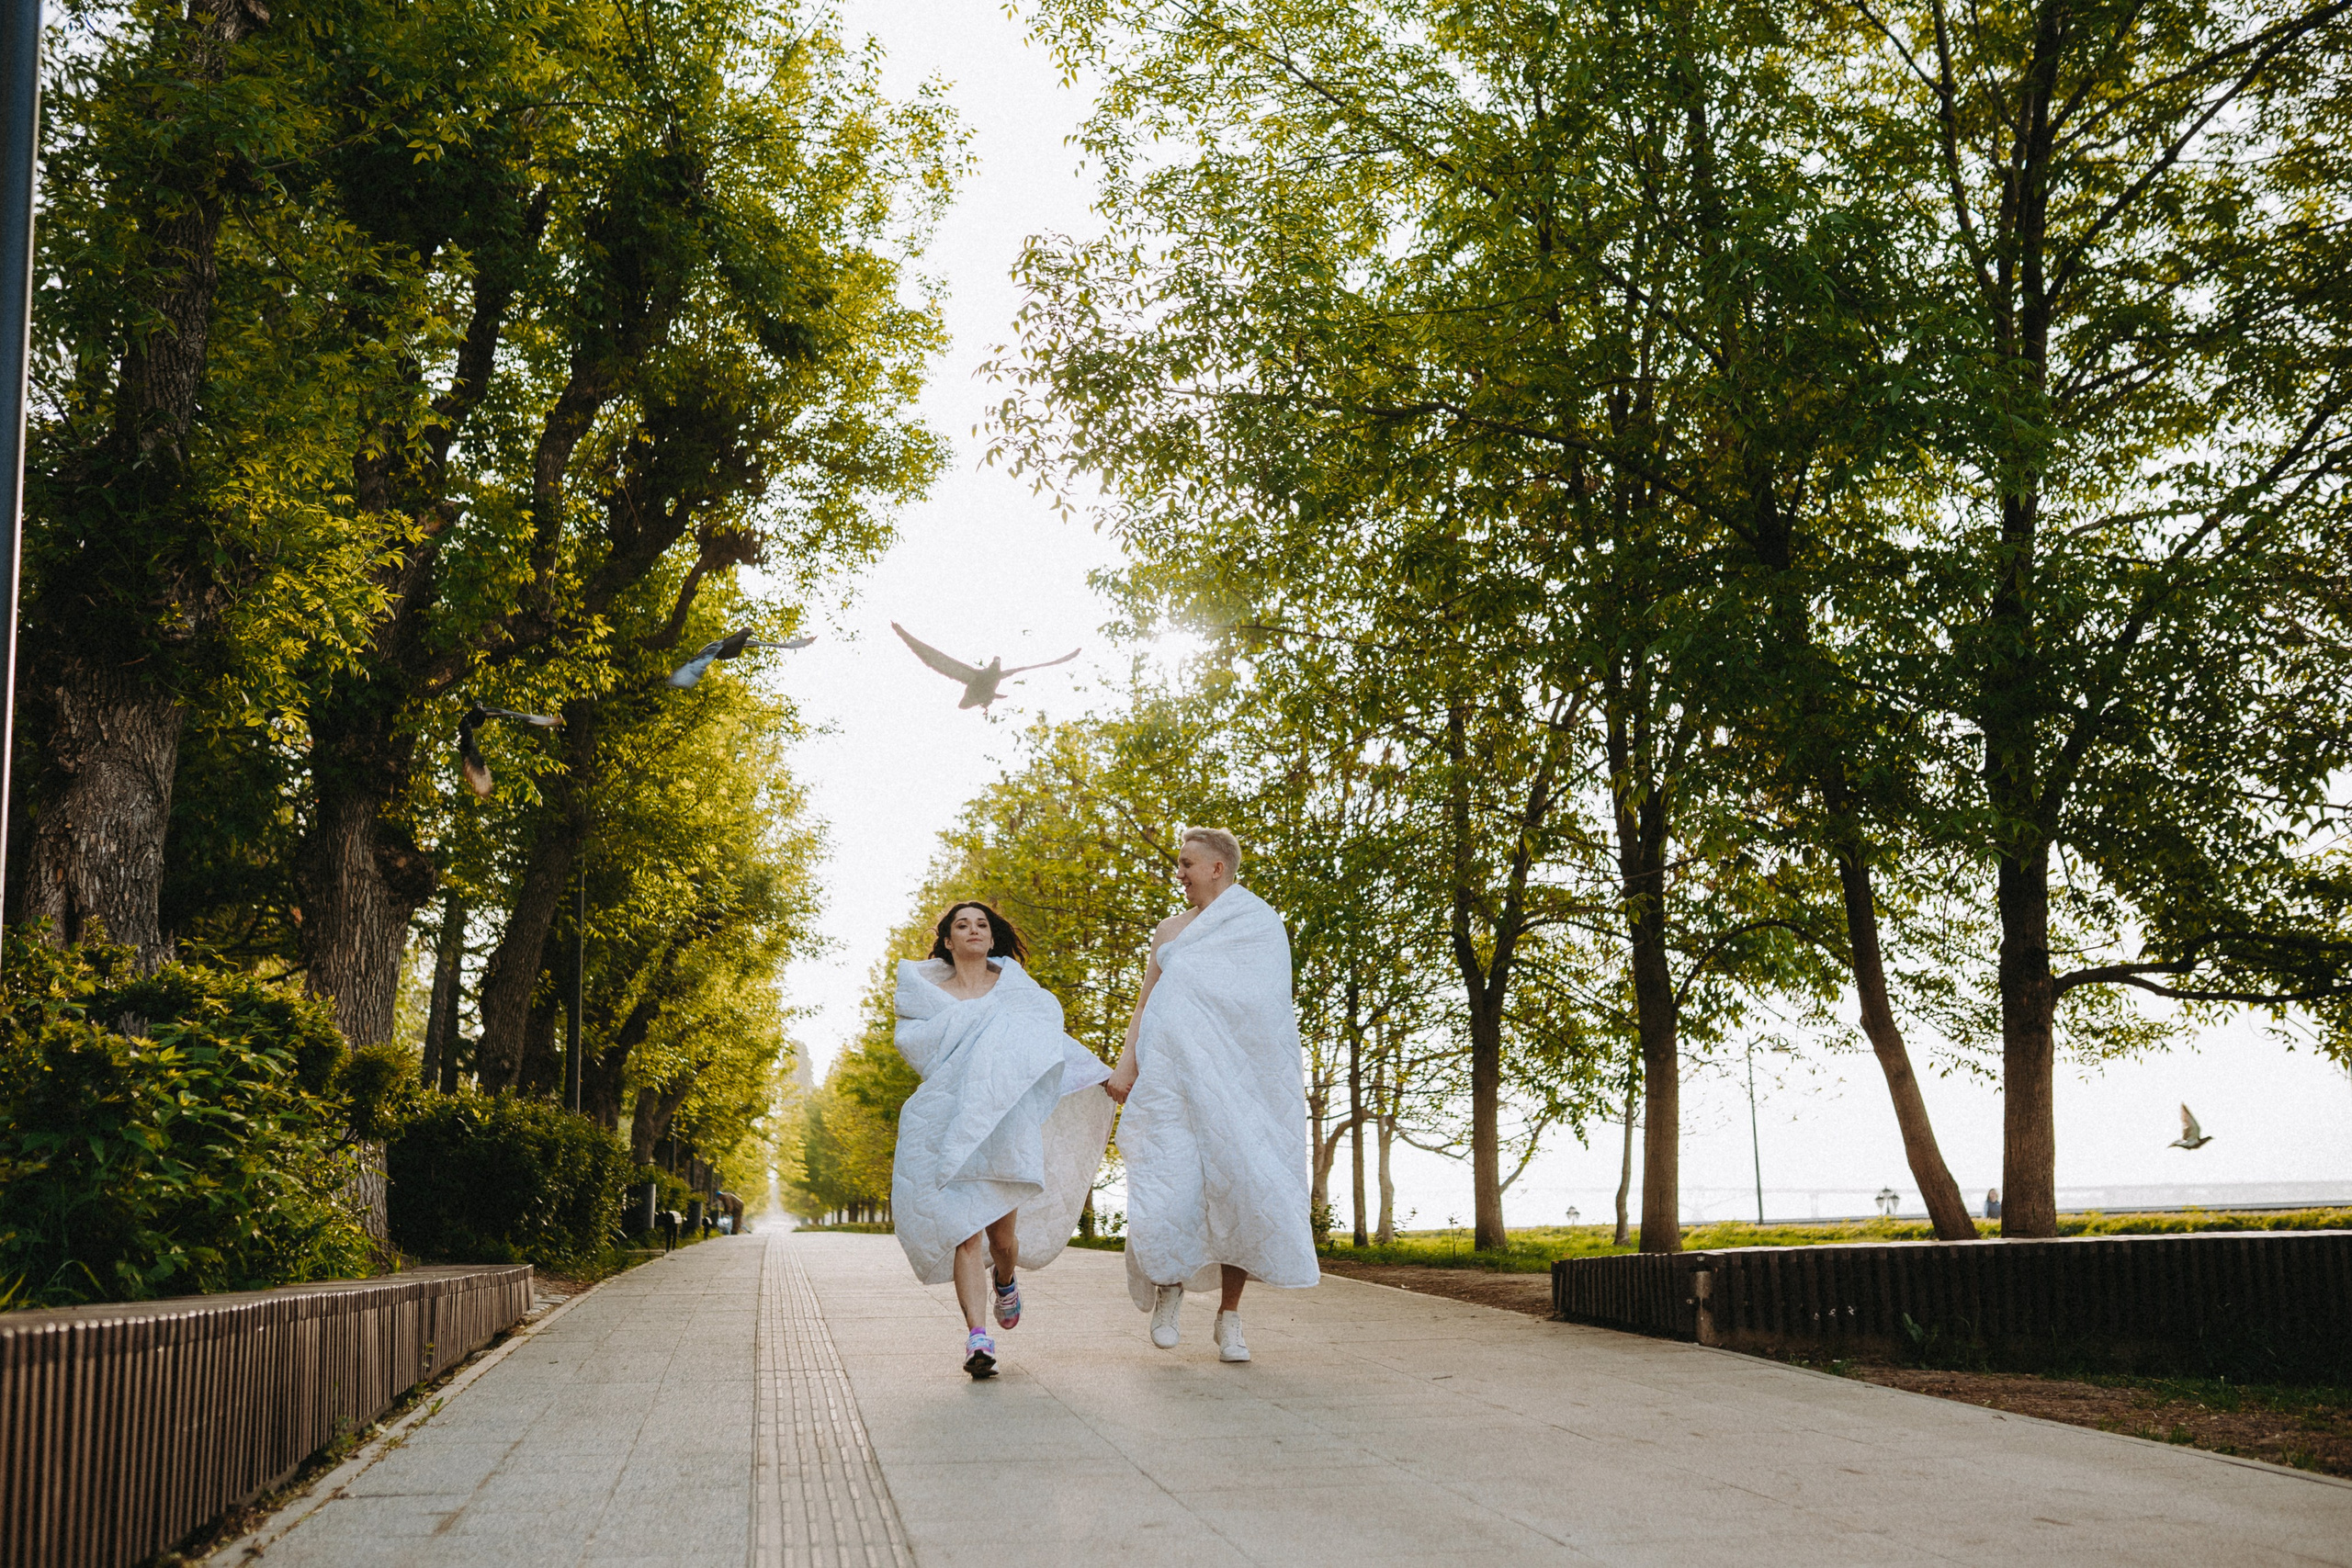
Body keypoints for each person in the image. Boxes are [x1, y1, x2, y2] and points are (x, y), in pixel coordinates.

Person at [1104, 828, 1317, 1362]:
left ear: (1217, 867)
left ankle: (1230, 1317)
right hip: (1170, 1080)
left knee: (1241, 1186)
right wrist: (1127, 1064)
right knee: (1166, 1182)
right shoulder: (1170, 930)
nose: (1179, 873)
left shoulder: (1258, 924)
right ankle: (1169, 1287)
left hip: (1239, 1083)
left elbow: (1269, 1010)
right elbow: (1146, 1003)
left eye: (1186, 864)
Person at [892, 900, 1114, 1379]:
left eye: (982, 925)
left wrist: (1100, 1075)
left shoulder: (1018, 995)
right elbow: (917, 1048)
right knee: (965, 1234)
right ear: (948, 941)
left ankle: (1007, 1280)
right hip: (949, 1124)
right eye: (962, 925)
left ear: (992, 939)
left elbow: (1046, 1045)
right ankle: (977, 1336)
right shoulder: (929, 1000)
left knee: (1002, 1241)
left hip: (1005, 1125)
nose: (973, 930)